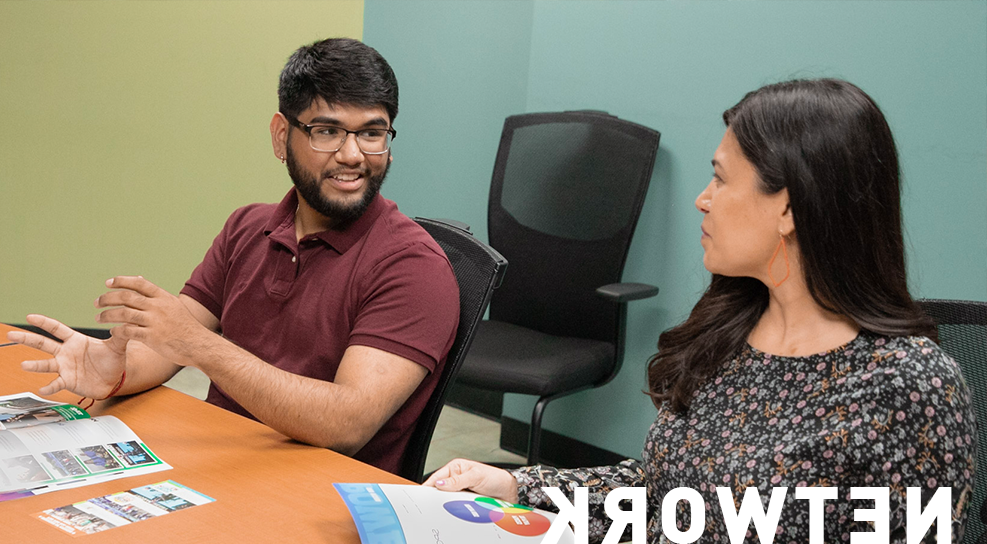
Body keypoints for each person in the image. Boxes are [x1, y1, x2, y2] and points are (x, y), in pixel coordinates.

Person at [425, 79, 976, 542]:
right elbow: (669, 496)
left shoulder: (908, 385)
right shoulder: (727, 332)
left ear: (788, 206)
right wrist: (523, 488)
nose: (702, 199)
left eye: (720, 177)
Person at [6, 38, 460, 475]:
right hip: (223, 465)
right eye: (327, 131)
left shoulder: (415, 268)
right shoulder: (247, 226)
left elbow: (345, 425)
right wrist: (116, 370)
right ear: (282, 136)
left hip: (318, 498)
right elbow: (167, 347)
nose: (352, 154)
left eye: (372, 133)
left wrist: (201, 347)